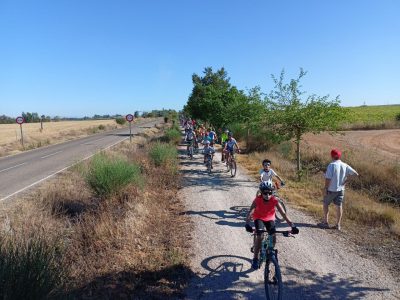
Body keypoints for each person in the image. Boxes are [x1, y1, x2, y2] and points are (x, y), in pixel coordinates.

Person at [245, 182, 297, 269]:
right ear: (261, 193)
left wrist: (293, 226)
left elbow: (283, 214)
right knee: (260, 235)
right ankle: (255, 258)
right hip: (259, 217)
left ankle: (270, 253)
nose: (268, 195)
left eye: (270, 193)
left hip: (269, 218)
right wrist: (247, 223)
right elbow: (251, 211)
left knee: (273, 235)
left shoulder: (274, 200)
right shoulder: (257, 200)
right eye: (265, 193)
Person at [318, 148, 359, 231]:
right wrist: (346, 181)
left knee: (326, 204)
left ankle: (325, 222)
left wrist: (325, 188)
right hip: (341, 190)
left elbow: (328, 179)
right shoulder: (345, 165)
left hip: (331, 189)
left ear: (331, 156)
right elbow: (356, 174)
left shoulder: (331, 165)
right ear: (339, 156)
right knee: (339, 206)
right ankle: (338, 225)